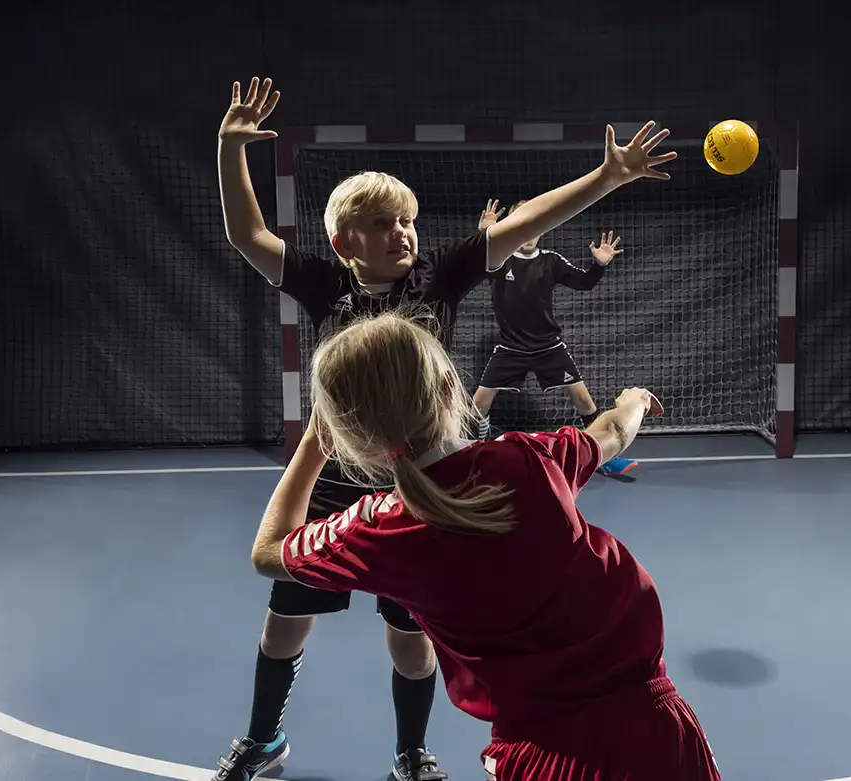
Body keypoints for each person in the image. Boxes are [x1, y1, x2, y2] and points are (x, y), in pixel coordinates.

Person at [215, 75, 677, 781]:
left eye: (407, 221)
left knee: (413, 633)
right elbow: (247, 234)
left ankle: (410, 753)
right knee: (286, 621)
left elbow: (528, 225)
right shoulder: (322, 284)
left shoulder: (439, 279)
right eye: (382, 224)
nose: (401, 232)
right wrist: (229, 151)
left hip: (422, 487)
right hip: (340, 481)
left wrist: (606, 178)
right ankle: (262, 739)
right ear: (344, 241)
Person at [249, 312, 720, 781]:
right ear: (451, 390)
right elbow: (612, 432)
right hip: (660, 729)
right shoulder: (527, 458)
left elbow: (268, 552)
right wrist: (634, 400)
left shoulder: (380, 529)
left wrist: (313, 443)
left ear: (355, 440)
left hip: (544, 759)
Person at [473, 200, 638, 476]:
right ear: (511, 228)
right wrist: (484, 239)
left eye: (534, 223)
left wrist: (599, 265)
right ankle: (479, 448)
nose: (528, 231)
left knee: (585, 402)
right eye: (521, 224)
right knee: (478, 405)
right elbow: (474, 263)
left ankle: (603, 456)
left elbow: (584, 282)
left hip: (548, 346)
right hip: (510, 348)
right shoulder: (498, 259)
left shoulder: (551, 260)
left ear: (543, 227)